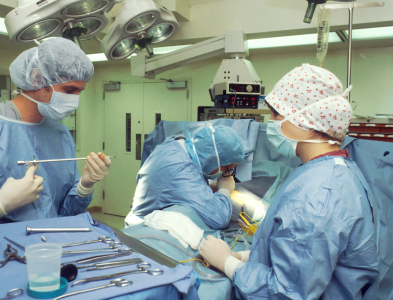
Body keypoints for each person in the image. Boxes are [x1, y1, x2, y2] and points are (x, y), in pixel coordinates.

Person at [200, 64, 379, 299]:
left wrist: (226, 264)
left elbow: (286, 293)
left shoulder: (317, 194)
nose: (270, 122)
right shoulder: (335, 169)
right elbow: (300, 257)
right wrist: (246, 257)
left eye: (276, 114)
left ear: (306, 120)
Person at [0, 38, 111, 230]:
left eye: (79, 92)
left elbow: (62, 214)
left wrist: (85, 185)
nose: (75, 100)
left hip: (49, 246)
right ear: (37, 78)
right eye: (69, 90)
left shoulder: (60, 133)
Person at [125, 123, 245, 230]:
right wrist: (225, 190)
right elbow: (219, 218)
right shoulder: (182, 170)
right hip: (143, 233)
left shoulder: (175, 145)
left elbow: (176, 188)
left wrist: (206, 187)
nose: (226, 173)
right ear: (214, 159)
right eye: (228, 169)